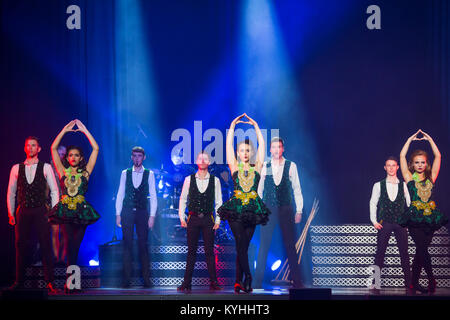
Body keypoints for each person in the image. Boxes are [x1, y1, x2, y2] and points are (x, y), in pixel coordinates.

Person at [217, 113, 270, 293]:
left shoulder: (257, 166)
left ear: (251, 153)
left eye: (248, 150)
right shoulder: (234, 165)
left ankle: (238, 281)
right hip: (235, 208)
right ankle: (249, 276)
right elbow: (227, 145)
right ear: (238, 153)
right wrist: (232, 126)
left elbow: (262, 145)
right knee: (240, 241)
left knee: (244, 247)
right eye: (242, 150)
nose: (245, 153)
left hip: (253, 208)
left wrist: (255, 126)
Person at [48, 119, 101, 293]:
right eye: (70, 155)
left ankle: (71, 283)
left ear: (80, 158)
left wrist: (85, 130)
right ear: (67, 157)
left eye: (76, 155)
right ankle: (71, 284)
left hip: (81, 212)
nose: (73, 158)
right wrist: (64, 130)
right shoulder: (62, 171)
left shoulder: (86, 172)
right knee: (70, 245)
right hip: (65, 211)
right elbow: (53, 148)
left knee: (75, 246)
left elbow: (96, 149)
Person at [7, 136, 59, 293]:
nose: (30, 148)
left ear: (39, 148)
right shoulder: (16, 168)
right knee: (20, 246)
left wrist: (54, 211)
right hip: (23, 210)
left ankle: (50, 281)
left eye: (33, 145)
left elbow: (55, 190)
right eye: (28, 145)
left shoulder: (46, 167)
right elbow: (11, 192)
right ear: (25, 148)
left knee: (46, 244)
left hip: (40, 210)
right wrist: (11, 212)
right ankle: (19, 281)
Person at [399, 129, 448, 294]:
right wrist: (409, 139)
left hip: (430, 218)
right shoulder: (409, 177)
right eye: (417, 162)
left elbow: (439, 157)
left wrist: (429, 139)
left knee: (421, 251)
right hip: (414, 218)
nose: (420, 165)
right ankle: (432, 279)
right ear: (412, 164)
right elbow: (401, 157)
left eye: (423, 162)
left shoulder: (431, 177)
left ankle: (413, 283)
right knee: (422, 248)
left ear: (426, 164)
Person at [255, 137, 305, 289]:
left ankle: (297, 280)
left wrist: (299, 210)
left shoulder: (291, 165)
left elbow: (297, 189)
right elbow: (260, 189)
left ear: (283, 149)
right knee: (264, 244)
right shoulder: (266, 166)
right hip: (269, 208)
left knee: (290, 244)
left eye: (279, 147)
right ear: (270, 150)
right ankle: (257, 282)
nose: (276, 150)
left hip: (286, 208)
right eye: (274, 147)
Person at [177, 151, 223, 292]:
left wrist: (218, 220)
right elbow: (183, 199)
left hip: (208, 219)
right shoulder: (188, 179)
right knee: (191, 252)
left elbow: (219, 202)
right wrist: (182, 217)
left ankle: (213, 282)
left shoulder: (215, 180)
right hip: (193, 218)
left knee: (209, 251)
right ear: (196, 161)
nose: (203, 160)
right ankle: (187, 282)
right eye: (200, 158)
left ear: (209, 162)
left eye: (205, 158)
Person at [115, 146, 157, 288]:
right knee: (127, 245)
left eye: (139, 156)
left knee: (143, 245)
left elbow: (153, 196)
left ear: (143, 157)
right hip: (127, 211)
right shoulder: (125, 173)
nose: (137, 158)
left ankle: (146, 279)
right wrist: (117, 214)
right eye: (134, 156)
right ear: (131, 157)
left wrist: (152, 216)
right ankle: (126, 280)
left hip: (142, 213)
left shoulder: (149, 174)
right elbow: (120, 194)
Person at [369, 156, 412, 293]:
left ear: (397, 167)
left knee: (404, 253)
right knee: (380, 252)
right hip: (385, 222)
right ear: (385, 167)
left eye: (394, 165)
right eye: (389, 165)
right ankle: (376, 283)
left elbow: (409, 204)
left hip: (400, 223)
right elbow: (373, 203)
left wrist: (408, 220)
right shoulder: (378, 184)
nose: (391, 168)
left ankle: (409, 283)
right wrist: (374, 221)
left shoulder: (403, 185)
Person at [50, 145, 67, 264]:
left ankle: (62, 258)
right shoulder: (49, 167)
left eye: (63, 154)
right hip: (53, 202)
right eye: (59, 153)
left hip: (65, 202)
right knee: (54, 231)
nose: (61, 156)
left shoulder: (67, 166)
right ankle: (56, 258)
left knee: (65, 232)